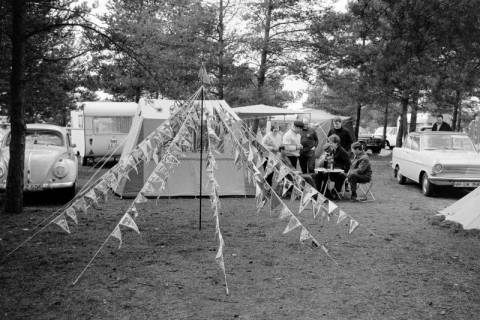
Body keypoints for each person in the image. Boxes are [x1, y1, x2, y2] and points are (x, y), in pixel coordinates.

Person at [314, 135, 351, 199]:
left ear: (336, 143)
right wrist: (326, 160)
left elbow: (348, 163)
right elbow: (331, 162)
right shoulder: (333, 150)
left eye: (331, 143)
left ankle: (329, 192)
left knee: (326, 175)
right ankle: (319, 192)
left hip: (339, 172)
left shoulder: (342, 151)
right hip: (332, 170)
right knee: (319, 174)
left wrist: (344, 171)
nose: (329, 144)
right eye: (329, 142)